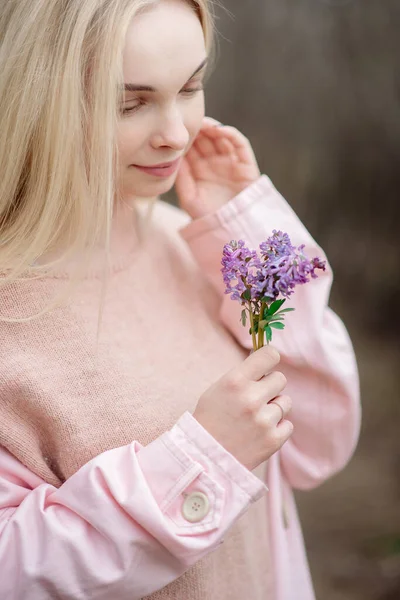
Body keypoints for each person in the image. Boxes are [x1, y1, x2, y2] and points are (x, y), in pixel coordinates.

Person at [0, 0, 360, 598]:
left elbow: (320, 442)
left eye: (191, 87)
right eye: (130, 103)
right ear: (33, 100)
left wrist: (250, 236)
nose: (176, 133)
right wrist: (203, 460)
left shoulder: (192, 241)